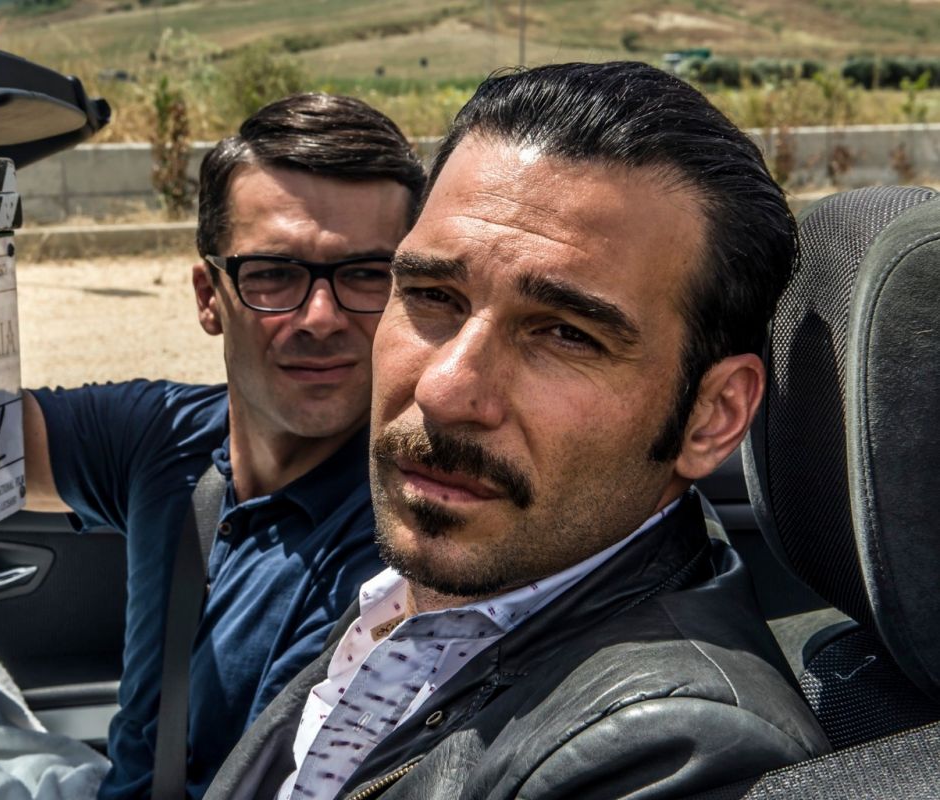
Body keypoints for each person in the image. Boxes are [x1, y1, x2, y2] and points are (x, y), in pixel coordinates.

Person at [0, 94, 425, 800]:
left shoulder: (405, 554)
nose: (320, 317)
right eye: (273, 273)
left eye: (368, 274)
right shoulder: (164, 436)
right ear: (208, 297)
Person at [204, 62, 831, 800]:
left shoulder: (680, 755)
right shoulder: (438, 589)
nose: (444, 390)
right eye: (432, 294)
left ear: (712, 415)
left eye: (565, 334)